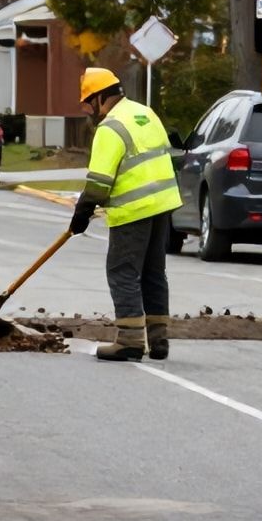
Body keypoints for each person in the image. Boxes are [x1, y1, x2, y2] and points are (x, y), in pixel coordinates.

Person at [71, 67, 183, 362]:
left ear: (99, 98)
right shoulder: (144, 113)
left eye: (88, 103)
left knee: (122, 271)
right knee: (153, 272)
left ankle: (130, 341)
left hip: (134, 210)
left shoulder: (110, 128)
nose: (88, 111)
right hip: (163, 206)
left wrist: (82, 211)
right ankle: (159, 339)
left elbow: (99, 182)